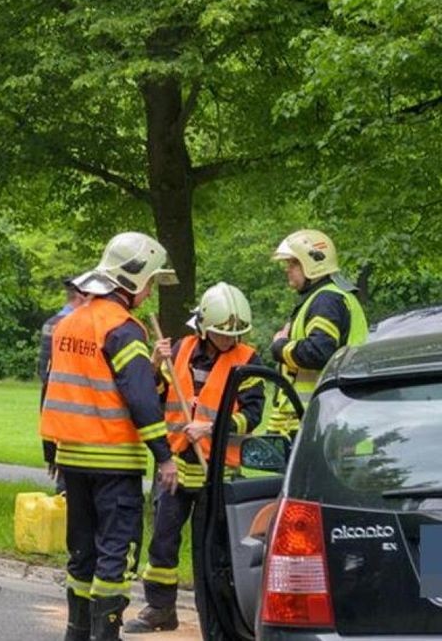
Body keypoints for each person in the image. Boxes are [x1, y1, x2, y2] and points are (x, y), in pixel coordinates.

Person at [41, 232, 180, 641]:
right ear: (133, 280)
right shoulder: (123, 329)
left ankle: (76, 633)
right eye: (151, 281)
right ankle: (107, 635)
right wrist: (165, 456)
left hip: (72, 459)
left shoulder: (70, 323)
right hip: (115, 461)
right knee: (114, 560)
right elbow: (140, 400)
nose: (152, 289)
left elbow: (64, 387)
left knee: (81, 555)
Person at [123, 283, 265, 634]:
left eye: (234, 335)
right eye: (220, 334)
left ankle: (214, 617)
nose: (228, 341)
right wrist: (155, 366)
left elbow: (253, 414)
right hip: (175, 463)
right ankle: (159, 609)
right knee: (163, 541)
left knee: (210, 550)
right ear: (203, 327)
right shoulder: (181, 350)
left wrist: (213, 427)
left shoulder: (248, 360)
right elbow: (155, 396)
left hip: (216, 468)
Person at [268, 229, 368, 438]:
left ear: (313, 264)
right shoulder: (327, 298)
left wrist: (280, 346)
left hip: (319, 420)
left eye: (293, 263)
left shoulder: (326, 300)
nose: (288, 270)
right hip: (322, 418)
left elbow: (319, 352)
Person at [39, 276, 90, 489]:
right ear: (81, 296)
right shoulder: (74, 327)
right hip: (77, 416)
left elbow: (44, 375)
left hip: (55, 415)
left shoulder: (51, 323)